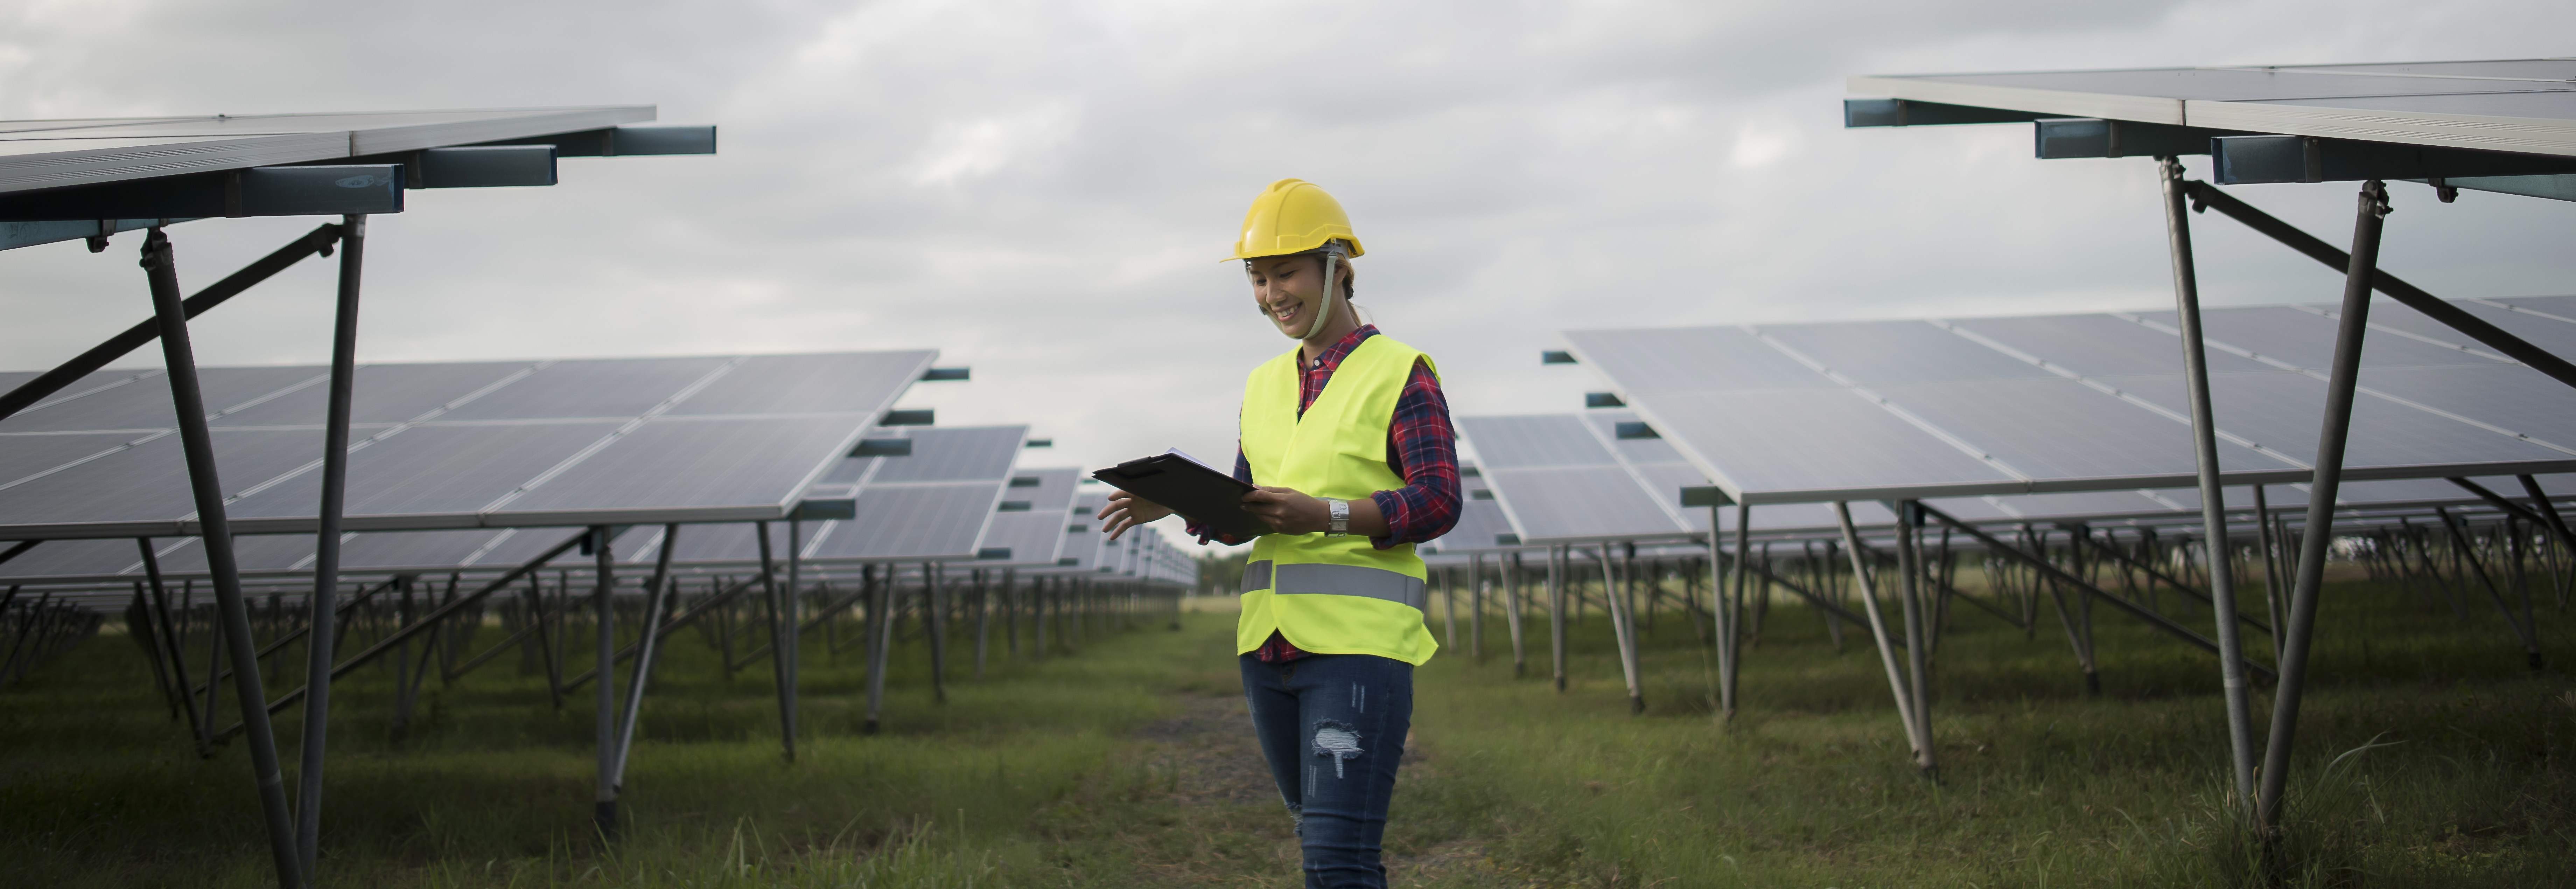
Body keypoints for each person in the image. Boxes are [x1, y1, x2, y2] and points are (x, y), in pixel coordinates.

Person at [1099, 179, 1461, 889]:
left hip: (1356, 650)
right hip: (1267, 649)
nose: (1271, 294)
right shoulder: (1264, 383)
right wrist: (1174, 503)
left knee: (1336, 861)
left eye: (1285, 273)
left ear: (1337, 265)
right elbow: (1249, 511)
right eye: (1257, 279)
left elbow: (1439, 500)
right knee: (1321, 846)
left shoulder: (1400, 373)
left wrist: (1325, 514)